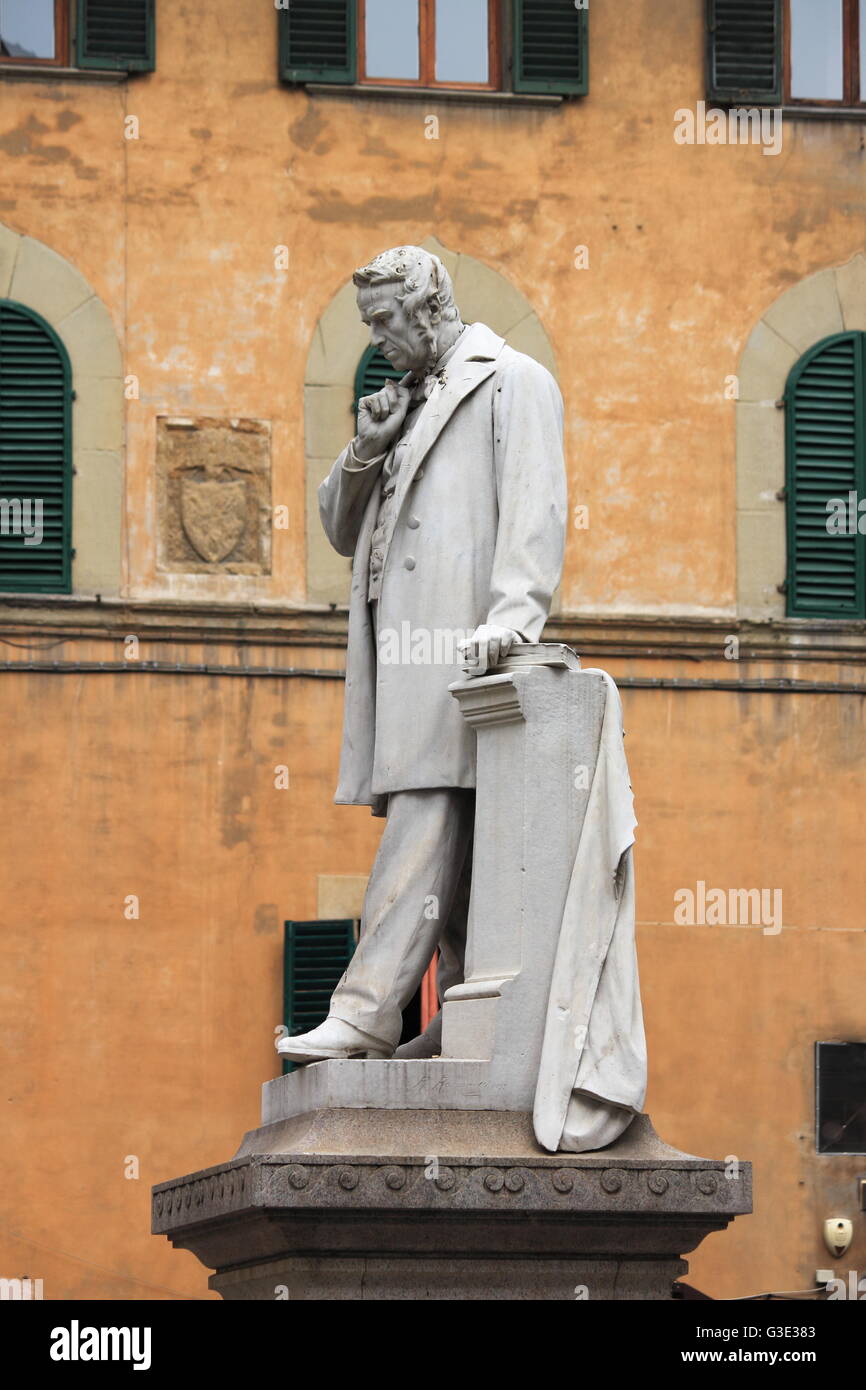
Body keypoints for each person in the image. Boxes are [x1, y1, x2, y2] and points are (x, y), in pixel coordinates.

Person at [278, 246, 566, 1064]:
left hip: (461, 650)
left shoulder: (514, 381)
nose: (374, 338)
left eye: (381, 320)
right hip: (402, 658)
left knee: (426, 813)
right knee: (467, 835)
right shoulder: (397, 402)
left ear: (427, 305)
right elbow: (339, 527)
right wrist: (369, 445)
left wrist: (515, 618)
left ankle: (366, 1012)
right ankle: (465, 1011)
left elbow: (536, 507)